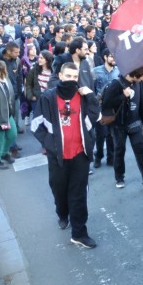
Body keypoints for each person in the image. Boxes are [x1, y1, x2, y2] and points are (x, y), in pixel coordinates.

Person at [31, 63, 99, 249]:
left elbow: (96, 117)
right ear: (60, 76)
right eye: (68, 76)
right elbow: (36, 125)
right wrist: (50, 145)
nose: (71, 80)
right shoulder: (48, 97)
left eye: (75, 77)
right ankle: (62, 213)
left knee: (78, 195)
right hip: (58, 156)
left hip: (80, 154)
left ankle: (79, 233)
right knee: (59, 190)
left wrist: (91, 97)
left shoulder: (83, 96)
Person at [102, 65, 143, 189]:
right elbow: (106, 103)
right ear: (134, 73)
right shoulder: (116, 84)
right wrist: (123, 96)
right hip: (119, 125)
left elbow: (141, 101)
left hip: (135, 122)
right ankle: (119, 178)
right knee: (119, 151)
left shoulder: (138, 83)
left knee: (140, 152)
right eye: (142, 75)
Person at [92, 49, 120, 168]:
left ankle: (111, 157)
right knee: (101, 134)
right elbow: (92, 89)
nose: (114, 59)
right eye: (112, 56)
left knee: (111, 134)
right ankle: (98, 156)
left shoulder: (118, 71)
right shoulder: (95, 71)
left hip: (113, 108)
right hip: (100, 107)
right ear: (105, 57)